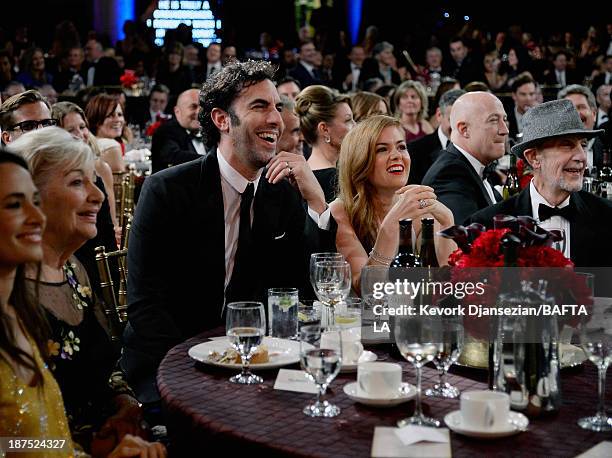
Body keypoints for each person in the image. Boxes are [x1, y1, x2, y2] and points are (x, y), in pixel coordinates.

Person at [122, 60, 333, 403]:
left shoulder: (283, 192)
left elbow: (305, 291)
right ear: (222, 119)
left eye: (278, 107)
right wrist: (201, 372)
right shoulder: (168, 190)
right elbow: (146, 308)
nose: (276, 120)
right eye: (260, 106)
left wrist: (318, 204)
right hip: (170, 366)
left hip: (258, 365)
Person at [0, 149, 166, 458]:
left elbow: (40, 433)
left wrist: (118, 415)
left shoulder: (13, 311)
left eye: (34, 202)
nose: (36, 218)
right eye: (14, 205)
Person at [466, 99, 611, 267]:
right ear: (534, 157)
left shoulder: (607, 217)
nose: (581, 157)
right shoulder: (488, 225)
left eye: (583, 145)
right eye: (567, 145)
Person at [330, 115, 456, 290]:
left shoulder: (419, 208)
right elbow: (365, 289)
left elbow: (443, 285)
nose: (397, 156)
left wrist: (447, 223)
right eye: (382, 149)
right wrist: (391, 225)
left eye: (402, 147)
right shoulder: (340, 211)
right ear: (360, 160)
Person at [422, 92, 507, 224]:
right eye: (494, 120)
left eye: (504, 119)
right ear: (464, 129)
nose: (505, 130)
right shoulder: (449, 173)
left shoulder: (473, 165)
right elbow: (471, 235)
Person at [295, 84, 354, 202]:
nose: (355, 126)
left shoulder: (305, 174)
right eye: (348, 121)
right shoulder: (334, 181)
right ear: (324, 129)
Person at [408, 88, 465, 185]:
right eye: (452, 120)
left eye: (464, 122)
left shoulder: (479, 149)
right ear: (439, 115)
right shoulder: (415, 151)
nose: (459, 128)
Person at [151, 88, 203, 173]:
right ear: (177, 111)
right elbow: (174, 157)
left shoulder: (210, 131)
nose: (198, 112)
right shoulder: (165, 131)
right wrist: (212, 160)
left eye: (202, 107)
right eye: (193, 107)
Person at [559, 84, 606, 171]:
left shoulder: (607, 145)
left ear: (594, 114)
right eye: (569, 109)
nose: (576, 114)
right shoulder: (554, 151)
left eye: (581, 107)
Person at [84, 94, 127, 172]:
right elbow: (120, 183)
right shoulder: (111, 146)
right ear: (96, 119)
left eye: (120, 114)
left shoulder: (88, 142)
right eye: (110, 115)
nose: (118, 120)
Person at [506, 72, 538, 142]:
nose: (528, 98)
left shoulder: (542, 117)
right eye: (523, 94)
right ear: (514, 95)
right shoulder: (506, 119)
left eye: (531, 94)